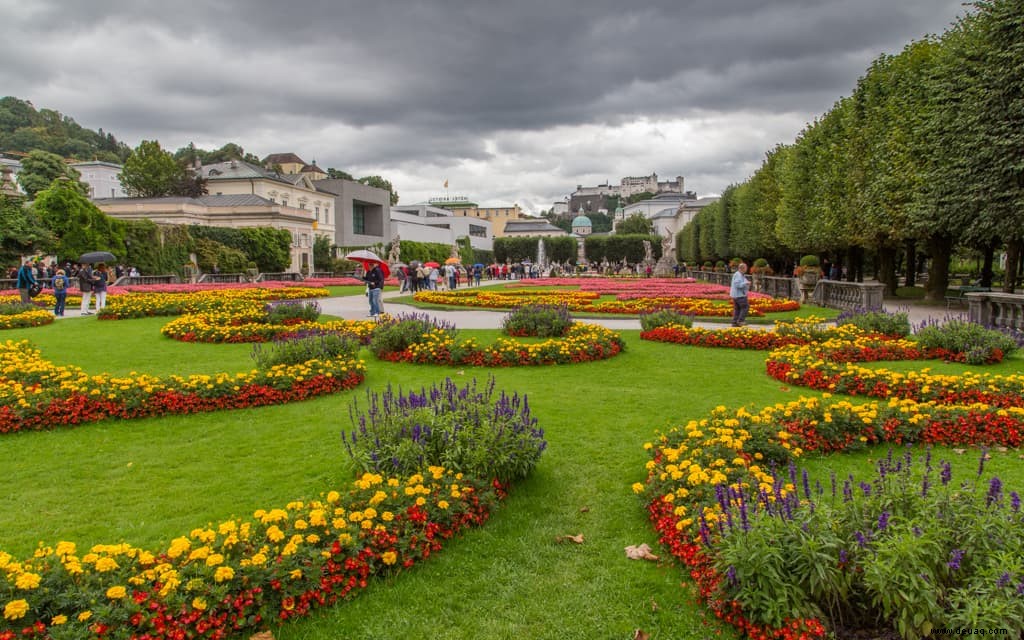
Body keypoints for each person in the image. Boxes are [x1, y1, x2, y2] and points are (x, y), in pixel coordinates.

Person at [730, 262, 750, 327]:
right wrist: (746, 283)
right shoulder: (738, 275)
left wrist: (746, 282)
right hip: (740, 295)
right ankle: (740, 321)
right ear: (742, 268)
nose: (747, 269)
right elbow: (737, 285)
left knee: (737, 309)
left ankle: (735, 322)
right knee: (745, 307)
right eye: (746, 268)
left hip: (737, 295)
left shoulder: (740, 275)